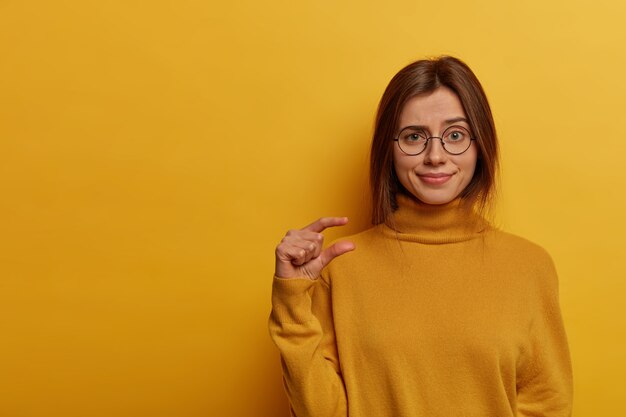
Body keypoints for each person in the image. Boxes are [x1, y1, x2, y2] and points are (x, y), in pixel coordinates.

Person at [269, 56, 573, 417]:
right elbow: (320, 412)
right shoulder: (343, 267)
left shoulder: (529, 266)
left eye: (455, 135)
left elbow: (548, 404)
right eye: (414, 136)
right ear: (389, 149)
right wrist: (292, 299)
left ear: (481, 145)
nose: (435, 156)